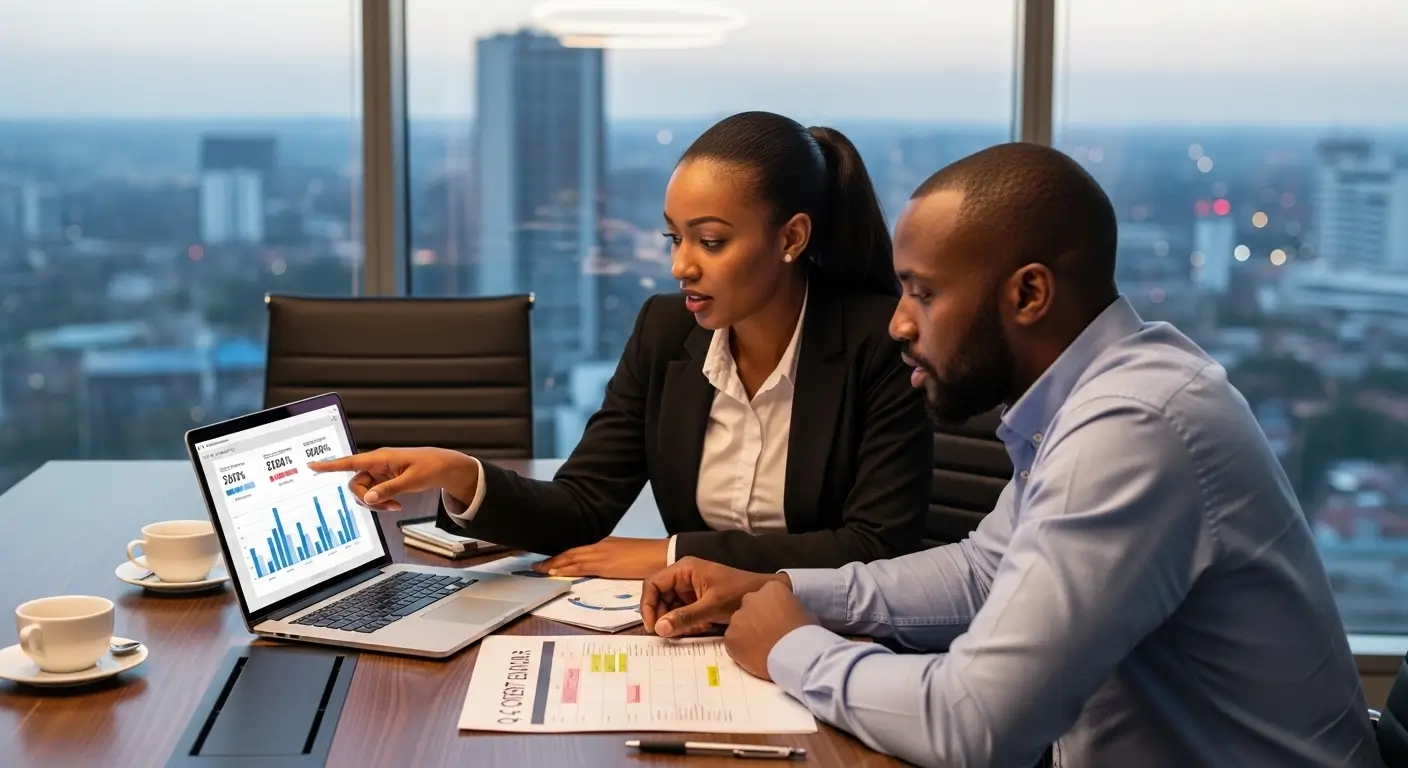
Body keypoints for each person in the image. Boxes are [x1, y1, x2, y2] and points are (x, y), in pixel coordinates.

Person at [639, 143, 1381, 767]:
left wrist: (792, 647)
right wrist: (777, 587)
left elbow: (975, 724)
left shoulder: (1134, 428)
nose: (897, 324)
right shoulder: (1098, 397)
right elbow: (982, 571)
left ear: (1028, 294)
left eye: (922, 294)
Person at [311, 111, 932, 579]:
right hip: (691, 632)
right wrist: (460, 474)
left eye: (710, 242)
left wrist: (671, 554)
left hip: (828, 639)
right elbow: (582, 505)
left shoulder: (881, 344)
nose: (680, 267)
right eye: (674, 239)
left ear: (791, 237)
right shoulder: (667, 334)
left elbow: (875, 549)